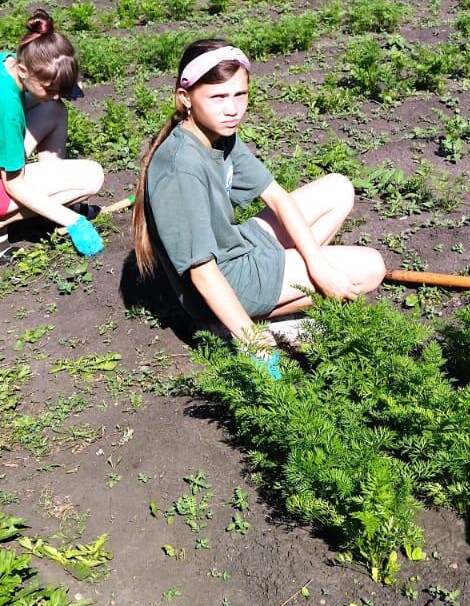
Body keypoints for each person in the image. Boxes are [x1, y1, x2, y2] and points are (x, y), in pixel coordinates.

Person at [132, 39, 385, 374]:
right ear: (186, 98)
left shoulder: (218, 136)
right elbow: (202, 273)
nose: (233, 108)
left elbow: (278, 198)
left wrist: (319, 267)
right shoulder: (181, 168)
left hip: (237, 247)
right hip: (224, 279)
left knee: (338, 188)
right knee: (372, 267)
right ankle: (236, 324)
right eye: (218, 97)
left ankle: (283, 290)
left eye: (241, 94)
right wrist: (252, 341)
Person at [0, 8, 105, 264]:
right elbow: (14, 184)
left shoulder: (4, 63)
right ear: (24, 70)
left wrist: (63, 83)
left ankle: (53, 206)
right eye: (49, 87)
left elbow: (45, 95)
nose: (56, 93)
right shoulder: (4, 108)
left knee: (53, 109)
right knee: (92, 177)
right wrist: (73, 221)